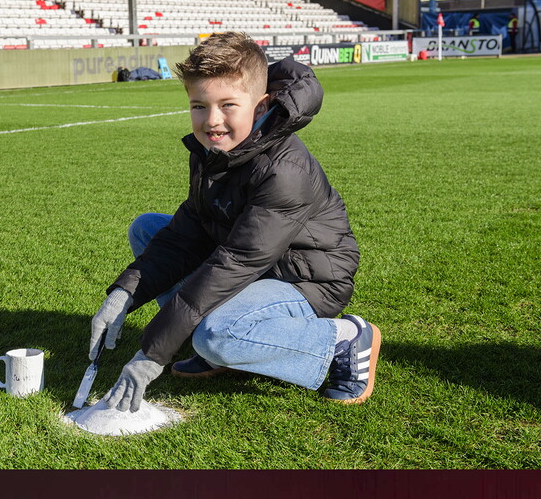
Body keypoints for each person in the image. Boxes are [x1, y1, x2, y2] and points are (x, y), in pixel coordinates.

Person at [87, 31, 379, 413]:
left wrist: (154, 352)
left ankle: (343, 340)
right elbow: (188, 230)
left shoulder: (284, 170)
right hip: (254, 264)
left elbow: (238, 261)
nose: (212, 121)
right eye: (199, 106)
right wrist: (125, 293)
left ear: (261, 106)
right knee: (148, 228)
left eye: (228, 105)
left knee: (215, 333)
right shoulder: (215, 148)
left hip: (305, 280)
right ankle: (223, 347)